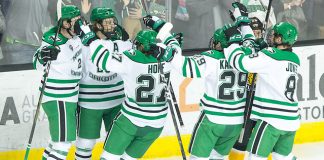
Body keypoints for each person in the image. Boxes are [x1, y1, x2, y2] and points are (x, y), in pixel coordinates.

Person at [74, 14, 180, 159]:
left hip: (130, 120)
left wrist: (92, 40)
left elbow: (101, 59)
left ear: (141, 46)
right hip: (156, 123)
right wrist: (160, 27)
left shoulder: (130, 60)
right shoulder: (171, 57)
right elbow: (174, 44)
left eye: (138, 44)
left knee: (108, 157)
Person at [223, 2, 300, 160]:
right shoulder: (294, 59)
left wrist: (232, 42)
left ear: (280, 39)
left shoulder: (269, 56)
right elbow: (266, 55)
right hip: (291, 120)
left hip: (271, 119)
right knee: (283, 157)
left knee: (255, 157)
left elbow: (239, 62)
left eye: (275, 35)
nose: (271, 37)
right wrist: (244, 24)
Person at [74, 7, 132, 160]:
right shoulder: (82, 43)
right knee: (85, 144)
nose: (112, 25)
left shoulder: (122, 42)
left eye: (113, 21)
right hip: (90, 103)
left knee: (118, 144)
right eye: (107, 22)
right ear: (97, 25)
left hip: (116, 101)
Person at [32, 5, 84, 160]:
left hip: (69, 96)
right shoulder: (52, 39)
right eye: (75, 21)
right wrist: (44, 55)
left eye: (79, 19)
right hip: (58, 97)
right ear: (66, 24)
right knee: (63, 143)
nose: (79, 24)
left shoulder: (77, 36)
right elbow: (37, 63)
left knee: (55, 142)